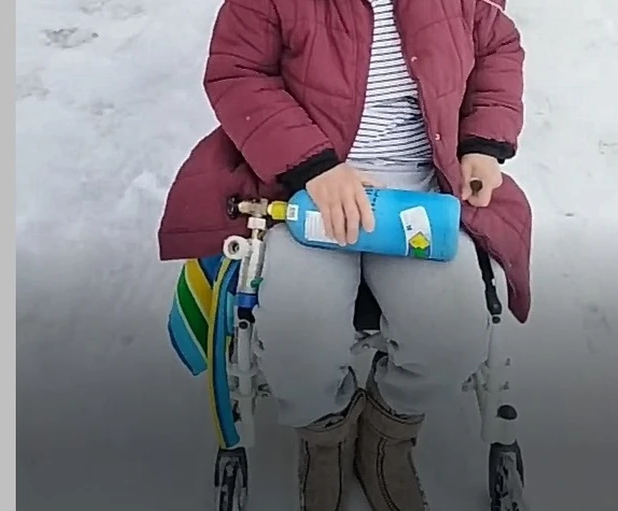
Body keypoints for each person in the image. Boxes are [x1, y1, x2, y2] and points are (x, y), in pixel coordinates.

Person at [157, 0, 533, 509]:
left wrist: (484, 144)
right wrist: (312, 164)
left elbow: (497, 48)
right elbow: (238, 71)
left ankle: (387, 432)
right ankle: (325, 436)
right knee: (297, 332)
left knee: (451, 332)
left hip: (419, 190)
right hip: (306, 187)